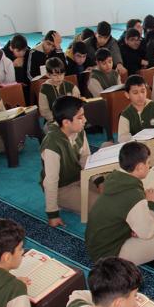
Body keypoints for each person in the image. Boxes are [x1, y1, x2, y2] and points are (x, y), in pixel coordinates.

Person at [85, 142, 154, 269]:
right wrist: (150, 203)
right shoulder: (134, 195)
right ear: (139, 167)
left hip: (98, 244)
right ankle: (139, 257)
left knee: (152, 228)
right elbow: (147, 233)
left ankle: (145, 254)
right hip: (108, 255)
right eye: (148, 163)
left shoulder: (113, 178)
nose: (149, 166)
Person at [40, 96, 98, 227]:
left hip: (80, 178)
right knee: (102, 205)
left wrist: (98, 180)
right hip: (62, 188)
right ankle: (63, 203)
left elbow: (85, 158)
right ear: (66, 122)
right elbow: (51, 181)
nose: (85, 120)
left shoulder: (79, 130)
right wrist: (52, 214)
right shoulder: (52, 144)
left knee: (113, 191)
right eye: (80, 117)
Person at [117, 75, 154, 165]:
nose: (140, 96)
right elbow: (122, 138)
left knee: (144, 165)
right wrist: (137, 142)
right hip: (133, 154)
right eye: (135, 93)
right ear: (127, 95)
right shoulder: (125, 115)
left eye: (143, 91)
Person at [38, 57, 81, 124]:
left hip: (70, 120)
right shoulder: (44, 89)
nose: (59, 77)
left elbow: (78, 106)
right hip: (53, 121)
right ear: (48, 75)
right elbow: (44, 111)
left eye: (61, 74)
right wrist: (58, 121)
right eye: (55, 75)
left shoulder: (72, 87)